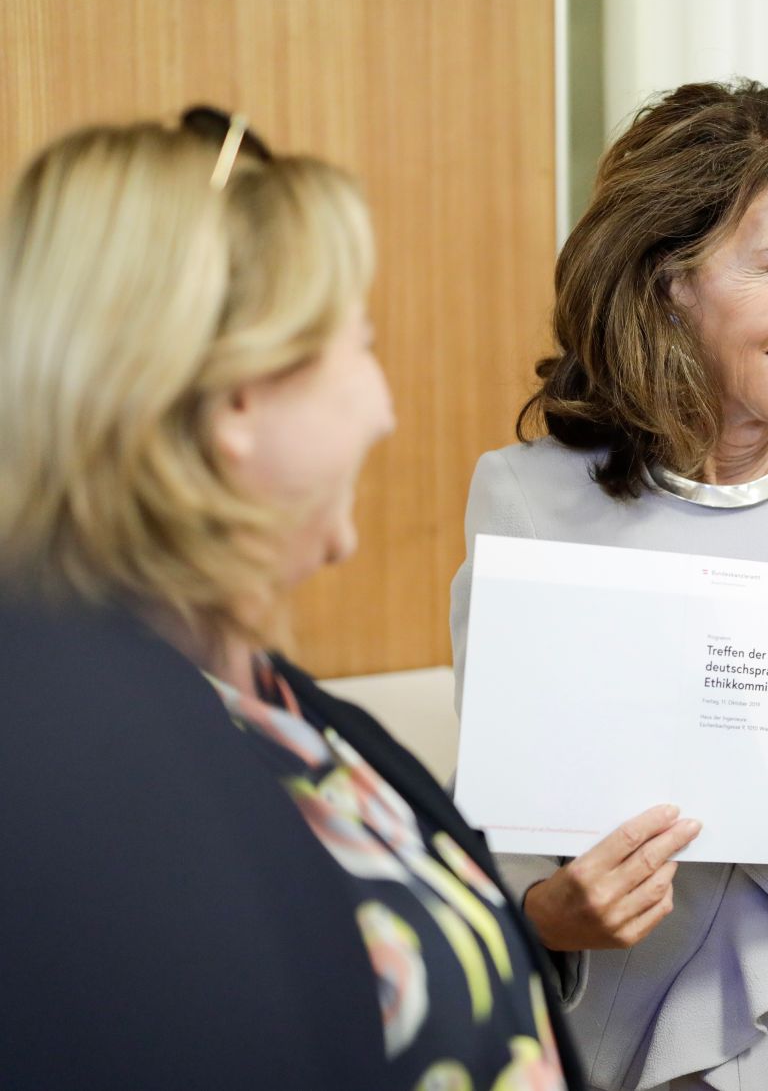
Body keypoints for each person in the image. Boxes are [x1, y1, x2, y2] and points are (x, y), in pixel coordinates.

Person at [0, 109, 693, 1088]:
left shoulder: (284, 709)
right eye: (357, 345)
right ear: (239, 400)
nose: (385, 405)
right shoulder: (76, 777)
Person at [449, 80, 768, 1090]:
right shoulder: (522, 498)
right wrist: (549, 920)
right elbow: (499, 830)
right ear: (664, 279)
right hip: (627, 1046)